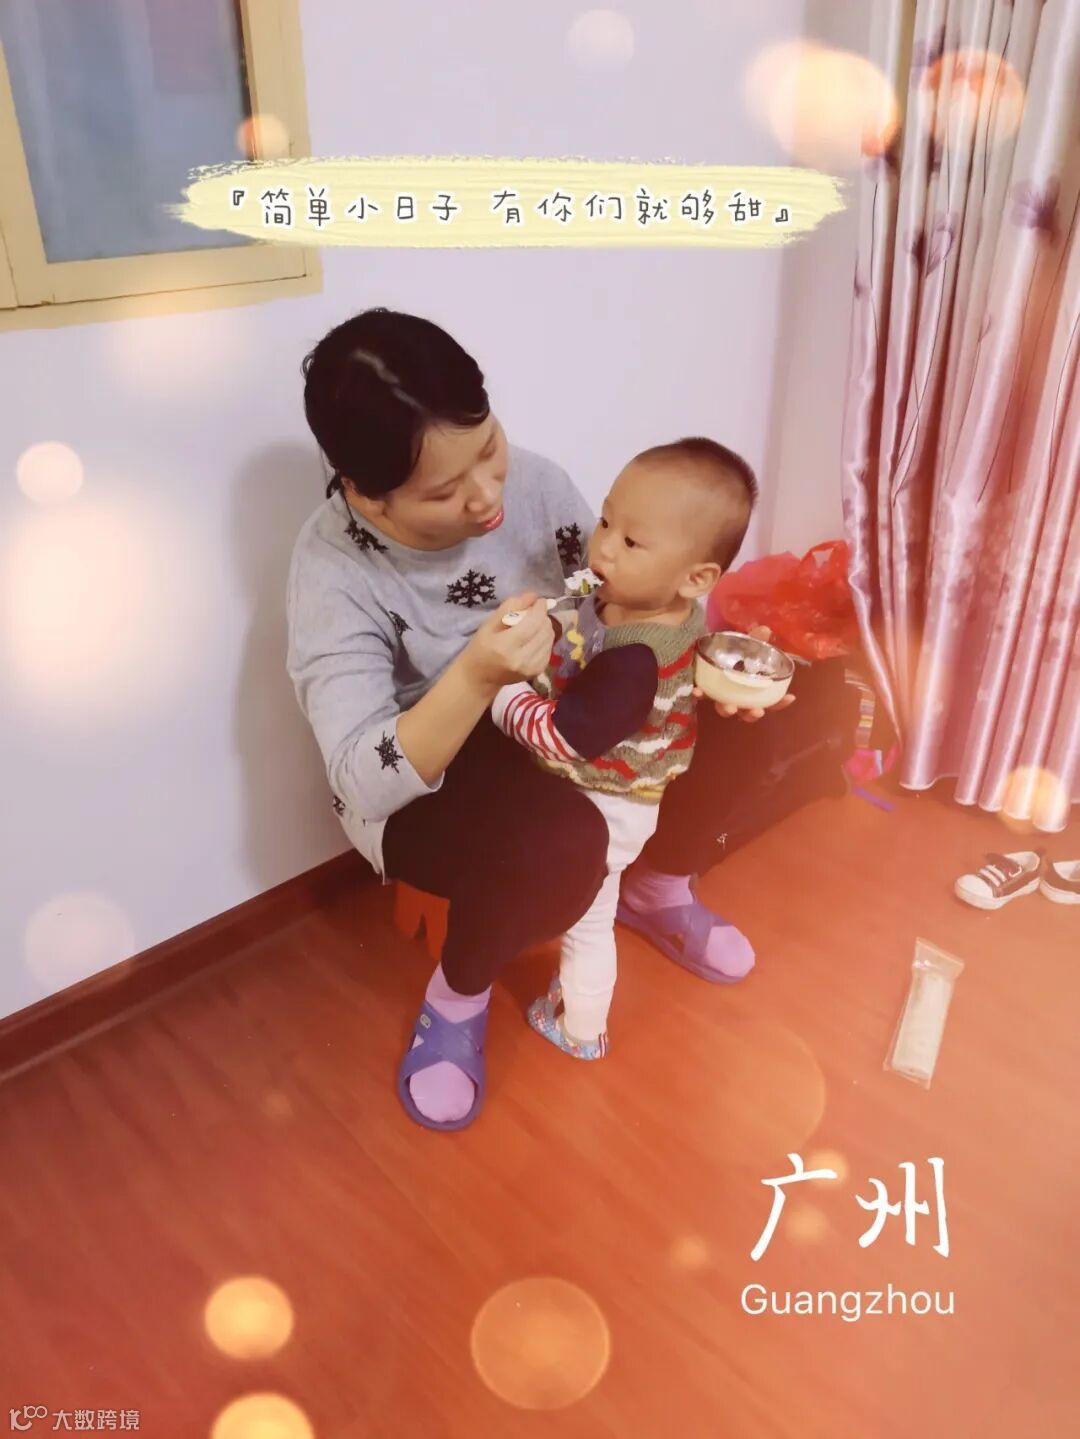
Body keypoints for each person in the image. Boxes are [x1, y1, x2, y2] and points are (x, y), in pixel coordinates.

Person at [286, 307, 853, 1134]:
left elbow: (619, 598)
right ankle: (460, 993)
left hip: (559, 709)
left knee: (759, 709)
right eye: (445, 490)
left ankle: (656, 886)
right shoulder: (332, 571)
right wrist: (477, 675)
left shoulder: (533, 483)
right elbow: (363, 783)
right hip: (433, 779)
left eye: (488, 446)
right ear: (364, 492)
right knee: (565, 840)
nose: (489, 495)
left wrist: (699, 669)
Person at [488, 438, 756, 1060]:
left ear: (696, 577)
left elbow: (565, 737)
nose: (604, 546)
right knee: (590, 908)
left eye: (631, 541)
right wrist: (545, 617)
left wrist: (500, 695)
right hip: (623, 789)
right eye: (606, 519)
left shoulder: (636, 658)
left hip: (607, 804)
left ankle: (581, 1029)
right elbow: (577, 604)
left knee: (589, 920)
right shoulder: (645, 597)